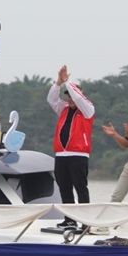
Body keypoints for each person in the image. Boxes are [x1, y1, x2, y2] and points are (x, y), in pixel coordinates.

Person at [47, 65, 95, 231]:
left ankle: (86, 221)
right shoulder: (64, 109)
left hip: (78, 155)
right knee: (64, 187)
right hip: (61, 155)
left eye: (72, 96)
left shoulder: (88, 109)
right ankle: (70, 220)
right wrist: (58, 83)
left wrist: (68, 81)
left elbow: (79, 98)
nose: (70, 99)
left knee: (80, 188)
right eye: (68, 97)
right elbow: (51, 100)